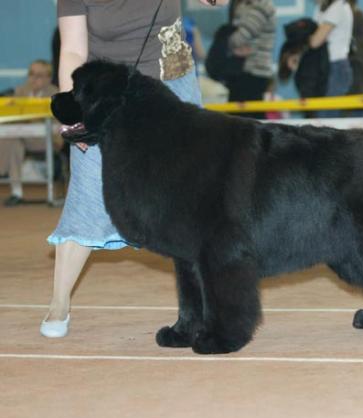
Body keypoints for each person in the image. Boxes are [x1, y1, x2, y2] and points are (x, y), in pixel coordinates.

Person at [41, 0, 228, 338]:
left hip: (173, 82)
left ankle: (201, 306)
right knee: (87, 192)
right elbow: (72, 51)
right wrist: (75, 111)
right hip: (105, 91)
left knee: (190, 201)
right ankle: (59, 302)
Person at [0, 60, 60, 207]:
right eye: (31, 74)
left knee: (12, 139)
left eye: (39, 75)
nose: (34, 78)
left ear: (48, 77)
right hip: (23, 138)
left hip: (49, 139)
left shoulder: (55, 93)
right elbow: (13, 116)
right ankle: (17, 192)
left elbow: (58, 122)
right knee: (11, 141)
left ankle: (2, 171)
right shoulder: (21, 91)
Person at [226, 0, 276, 117]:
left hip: (254, 70)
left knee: (249, 121)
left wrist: (225, 43)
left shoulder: (262, 6)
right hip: (242, 70)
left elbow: (241, 36)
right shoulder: (245, 4)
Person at [309, 0, 354, 117]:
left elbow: (316, 41)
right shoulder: (321, 9)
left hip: (337, 67)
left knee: (326, 117)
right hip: (324, 66)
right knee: (321, 116)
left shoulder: (338, 6)